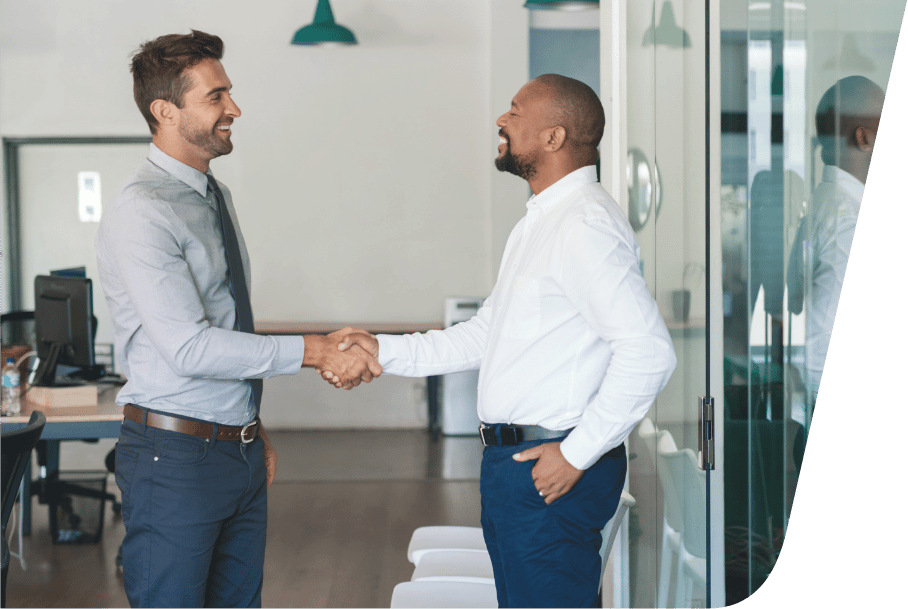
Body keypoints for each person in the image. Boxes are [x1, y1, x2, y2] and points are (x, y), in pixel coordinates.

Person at [330, 74, 676, 608]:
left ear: (554, 137)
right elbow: (485, 335)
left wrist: (576, 454)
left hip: (550, 467)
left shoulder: (584, 225)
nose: (501, 120)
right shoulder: (540, 222)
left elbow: (649, 351)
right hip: (517, 468)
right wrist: (385, 351)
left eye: (515, 111)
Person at [94, 30, 379, 608]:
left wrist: (249, 423)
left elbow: (229, 325)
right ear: (164, 111)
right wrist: (318, 350)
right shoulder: (143, 211)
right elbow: (190, 349)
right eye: (215, 97)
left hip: (236, 450)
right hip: (173, 461)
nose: (234, 109)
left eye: (229, 93)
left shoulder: (211, 195)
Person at [788, 75, 884, 406]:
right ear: (864, 137)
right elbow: (821, 343)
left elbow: (795, 300)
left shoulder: (822, 204)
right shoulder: (849, 221)